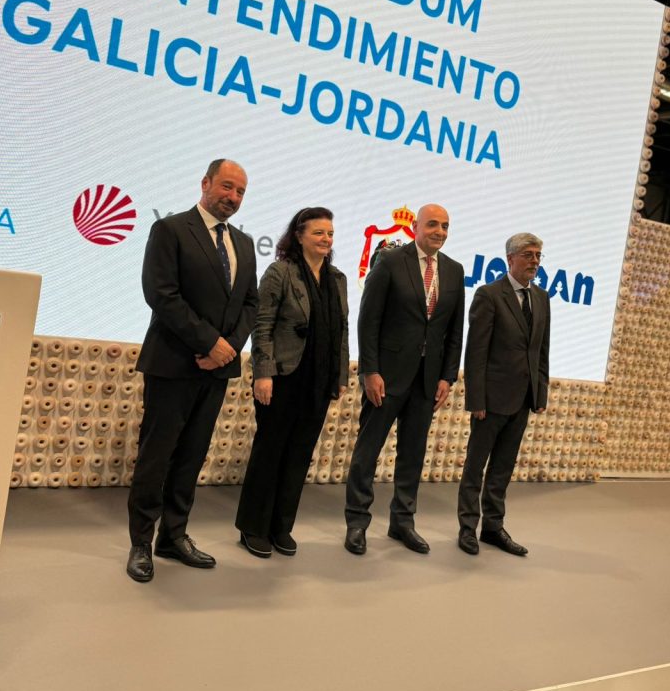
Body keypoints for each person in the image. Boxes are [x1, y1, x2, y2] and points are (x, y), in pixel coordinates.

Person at [126, 159, 259, 582]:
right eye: (226, 186)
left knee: (191, 457)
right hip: (172, 364)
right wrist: (208, 343)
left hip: (216, 371)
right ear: (205, 183)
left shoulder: (244, 244)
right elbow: (161, 294)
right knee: (157, 457)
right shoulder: (170, 230)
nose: (232, 197)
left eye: (240, 191)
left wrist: (228, 348)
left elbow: (251, 304)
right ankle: (141, 542)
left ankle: (173, 535)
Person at [344, 204, 464, 555]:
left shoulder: (454, 271)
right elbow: (368, 320)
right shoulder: (390, 261)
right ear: (415, 227)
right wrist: (370, 371)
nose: (439, 231)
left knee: (412, 454)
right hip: (386, 377)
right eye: (432, 224)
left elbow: (455, 331)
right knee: (367, 452)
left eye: (445, 226)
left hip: (427, 381)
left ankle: (402, 522)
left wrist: (447, 377)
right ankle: (357, 522)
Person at [236, 207, 349, 558]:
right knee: (270, 453)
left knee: (299, 455)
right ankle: (253, 528)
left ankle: (281, 527)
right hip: (283, 377)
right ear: (299, 236)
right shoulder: (280, 272)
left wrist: (340, 375)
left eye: (330, 234)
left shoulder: (338, 279)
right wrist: (263, 373)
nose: (326, 239)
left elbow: (341, 330)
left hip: (318, 381)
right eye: (318, 233)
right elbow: (262, 325)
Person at [457, 233, 550, 556]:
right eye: (528, 255)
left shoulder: (542, 298)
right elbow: (476, 352)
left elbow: (541, 351)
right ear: (510, 258)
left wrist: (540, 393)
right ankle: (467, 527)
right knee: (475, 467)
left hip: (523, 399)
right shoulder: (489, 295)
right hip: (491, 400)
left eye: (538, 255)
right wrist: (476, 400)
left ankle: (493, 528)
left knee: (503, 468)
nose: (534, 261)